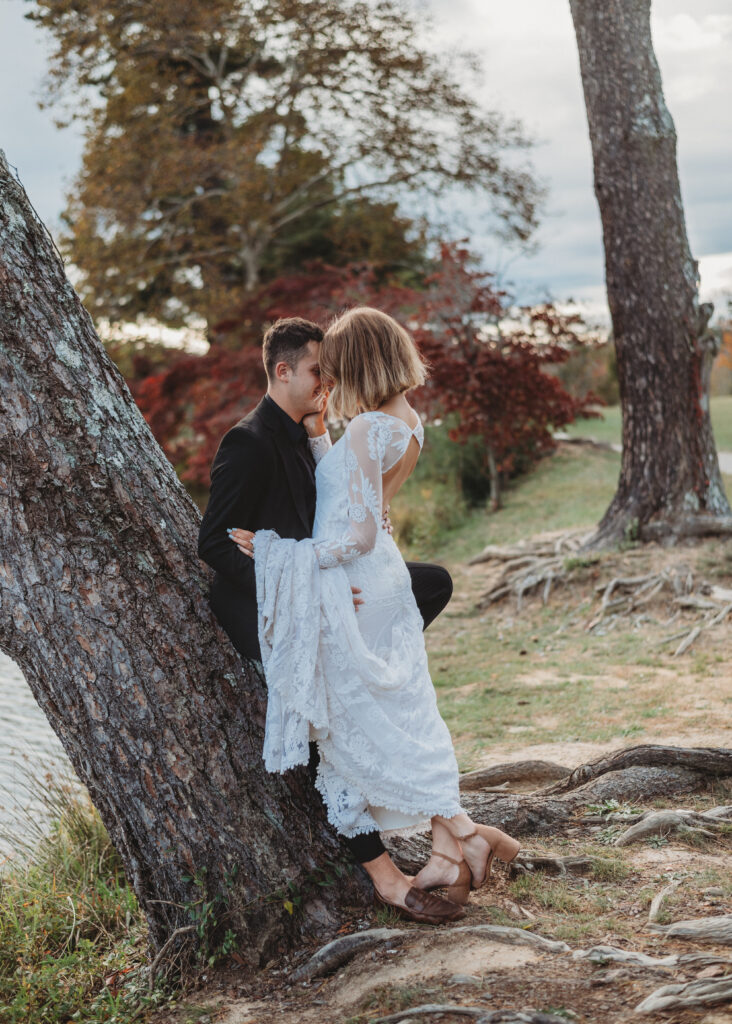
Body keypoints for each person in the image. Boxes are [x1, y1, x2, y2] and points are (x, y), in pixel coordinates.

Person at [227, 308, 520, 925]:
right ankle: (455, 841)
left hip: (356, 579)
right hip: (382, 580)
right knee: (392, 712)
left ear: (357, 362)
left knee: (356, 722)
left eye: (336, 364)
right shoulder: (407, 423)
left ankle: (458, 838)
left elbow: (357, 532)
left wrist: (288, 555)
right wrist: (315, 435)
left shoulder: (365, 429)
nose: (329, 377)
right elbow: (361, 497)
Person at [197, 316, 455, 909]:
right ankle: (386, 873)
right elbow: (213, 545)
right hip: (266, 599)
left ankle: (446, 814)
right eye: (318, 371)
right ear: (282, 371)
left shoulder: (310, 428)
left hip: (327, 578)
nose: (327, 380)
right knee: (327, 713)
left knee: (430, 585)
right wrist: (308, 585)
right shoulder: (249, 442)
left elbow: (346, 502)